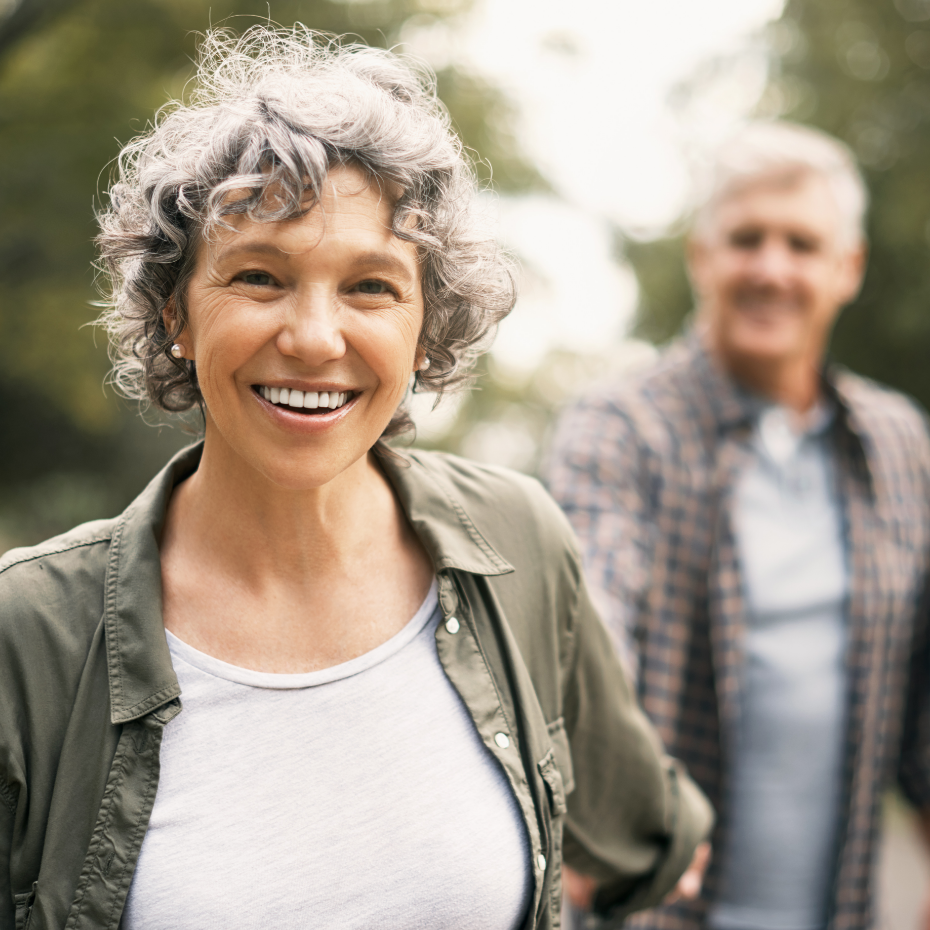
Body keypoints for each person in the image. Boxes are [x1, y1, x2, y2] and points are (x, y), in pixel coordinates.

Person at [0, 26, 712, 930]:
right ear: (176, 311)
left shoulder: (516, 542)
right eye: (259, 276)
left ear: (426, 328)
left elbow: (653, 840)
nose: (314, 337)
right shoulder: (28, 634)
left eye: (372, 287)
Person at [546, 120, 930, 930]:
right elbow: (589, 617)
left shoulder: (898, 444)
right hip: (655, 912)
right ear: (703, 256)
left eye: (801, 243)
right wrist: (589, 790)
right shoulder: (621, 427)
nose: (770, 268)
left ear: (848, 268)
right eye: (746, 239)